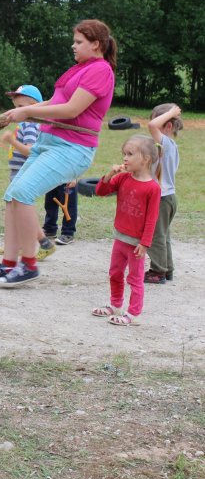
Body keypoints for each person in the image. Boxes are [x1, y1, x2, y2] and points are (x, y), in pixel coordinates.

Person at [0, 19, 116, 287]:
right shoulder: (79, 69)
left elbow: (72, 110)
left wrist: (28, 111)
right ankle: (8, 264)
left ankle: (29, 265)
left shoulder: (100, 70)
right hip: (49, 143)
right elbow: (54, 102)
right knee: (11, 197)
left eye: (79, 42)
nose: (73, 46)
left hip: (72, 148)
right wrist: (18, 113)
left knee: (22, 193)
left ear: (96, 44)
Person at [0, 84, 54, 282]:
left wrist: (12, 141)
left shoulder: (31, 125)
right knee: (14, 206)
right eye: (15, 105)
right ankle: (24, 253)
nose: (16, 109)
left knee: (19, 207)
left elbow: (31, 151)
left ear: (35, 106)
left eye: (21, 106)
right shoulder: (27, 123)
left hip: (23, 172)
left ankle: (32, 250)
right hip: (18, 172)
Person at [91, 135, 161, 326]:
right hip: (120, 238)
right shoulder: (122, 178)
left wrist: (145, 243)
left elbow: (152, 219)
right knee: (115, 273)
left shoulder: (153, 188)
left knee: (134, 278)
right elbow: (100, 191)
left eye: (130, 154)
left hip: (136, 244)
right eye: (124, 154)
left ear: (145, 159)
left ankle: (133, 313)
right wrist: (109, 175)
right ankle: (115, 305)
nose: (125, 158)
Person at [145, 103, 183, 284]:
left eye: (158, 121)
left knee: (156, 235)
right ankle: (167, 269)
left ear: (168, 125)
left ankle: (158, 271)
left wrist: (172, 112)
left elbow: (152, 126)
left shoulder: (166, 143)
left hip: (162, 198)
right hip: (168, 197)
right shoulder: (169, 145)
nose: (153, 127)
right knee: (164, 234)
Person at [43, 180, 78, 245]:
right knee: (49, 204)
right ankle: (50, 230)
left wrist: (73, 178)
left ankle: (68, 233)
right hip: (52, 179)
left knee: (69, 206)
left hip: (67, 179)